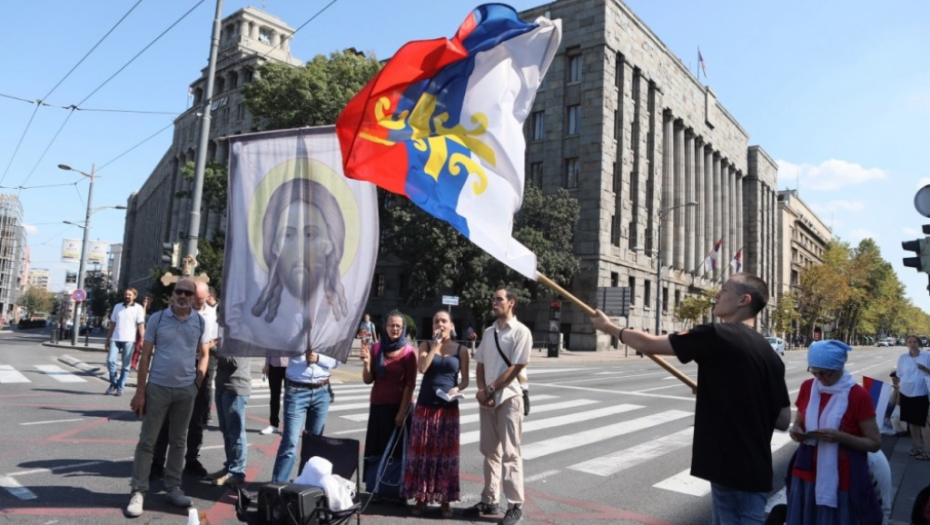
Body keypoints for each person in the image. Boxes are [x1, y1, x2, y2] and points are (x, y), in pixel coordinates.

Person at [590, 273, 791, 524]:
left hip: (730, 469)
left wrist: (609, 327)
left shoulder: (717, 334)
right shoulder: (769, 354)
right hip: (755, 471)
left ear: (744, 300)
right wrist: (718, 390)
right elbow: (783, 419)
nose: (716, 295)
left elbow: (649, 344)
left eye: (724, 290)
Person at [124, 279, 211, 518]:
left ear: (193, 297)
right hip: (158, 388)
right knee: (147, 441)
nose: (183, 296)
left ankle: (173, 488)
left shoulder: (200, 322)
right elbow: (145, 356)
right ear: (172, 294)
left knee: (179, 441)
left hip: (185, 390)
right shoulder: (158, 319)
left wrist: (197, 383)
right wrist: (140, 392)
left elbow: (204, 354)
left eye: (188, 293)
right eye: (179, 291)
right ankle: (138, 491)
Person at [785, 340, 882, 524]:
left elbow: (874, 443)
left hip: (842, 478)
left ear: (839, 368)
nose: (819, 378)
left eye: (824, 373)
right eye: (814, 372)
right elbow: (799, 422)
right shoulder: (808, 387)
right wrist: (797, 431)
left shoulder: (858, 395)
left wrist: (841, 437)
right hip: (805, 471)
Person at [466, 289, 530, 525]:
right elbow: (480, 364)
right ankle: (490, 499)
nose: (494, 302)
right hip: (489, 399)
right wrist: (482, 391)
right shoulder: (489, 332)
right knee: (490, 452)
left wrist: (491, 390)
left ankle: (515, 506)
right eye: (493, 299)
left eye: (499, 299)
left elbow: (516, 368)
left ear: (511, 302)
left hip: (509, 399)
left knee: (511, 453)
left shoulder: (521, 332)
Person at [150, 281, 219, 479]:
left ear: (207, 297)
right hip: (177, 367)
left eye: (199, 299)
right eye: (193, 297)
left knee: (197, 417)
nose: (195, 302)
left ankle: (192, 459)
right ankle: (157, 462)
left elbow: (218, 339)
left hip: (202, 366)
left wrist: (204, 346)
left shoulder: (213, 315)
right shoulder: (171, 313)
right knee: (166, 418)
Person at [405, 310, 469, 518]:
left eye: (444, 321)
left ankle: (445, 500)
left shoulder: (461, 350)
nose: (440, 324)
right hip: (425, 406)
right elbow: (423, 368)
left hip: (448, 409)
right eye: (436, 322)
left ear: (452, 325)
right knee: (423, 453)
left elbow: (465, 380)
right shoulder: (425, 345)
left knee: (445, 455)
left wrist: (457, 389)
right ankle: (421, 497)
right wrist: (435, 345)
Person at [361, 311, 416, 495]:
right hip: (378, 407)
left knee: (398, 451)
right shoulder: (377, 348)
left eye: (398, 326)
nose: (394, 329)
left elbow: (410, 385)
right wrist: (367, 363)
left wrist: (401, 412)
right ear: (385, 327)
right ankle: (376, 487)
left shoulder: (409, 352)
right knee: (377, 449)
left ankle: (397, 489)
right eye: (391, 325)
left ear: (403, 328)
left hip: (400, 408)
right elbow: (368, 379)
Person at [270, 348, 340, 483]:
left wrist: (318, 358)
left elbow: (337, 362)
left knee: (314, 444)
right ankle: (278, 485)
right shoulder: (295, 334)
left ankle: (305, 484)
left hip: (322, 390)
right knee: (290, 441)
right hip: (297, 389)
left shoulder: (328, 337)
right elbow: (284, 350)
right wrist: (302, 350)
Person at [206, 351, 252, 486]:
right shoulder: (228, 338)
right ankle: (229, 467)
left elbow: (235, 362)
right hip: (223, 387)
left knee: (235, 433)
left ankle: (237, 472)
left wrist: (214, 348)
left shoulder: (242, 338)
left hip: (235, 389)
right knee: (226, 431)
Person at [105, 288, 146, 396]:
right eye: (126, 294)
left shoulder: (138, 308)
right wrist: (108, 339)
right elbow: (112, 324)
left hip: (129, 339)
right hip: (115, 338)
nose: (127, 296)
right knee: (110, 361)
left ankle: (120, 386)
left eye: (129, 295)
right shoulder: (117, 307)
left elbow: (141, 325)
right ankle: (114, 383)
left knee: (126, 365)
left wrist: (143, 340)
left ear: (134, 296)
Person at [896, 335, 930, 459]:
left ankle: (928, 452)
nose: (912, 344)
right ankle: (917, 447)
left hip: (921, 392)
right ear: (907, 344)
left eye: (915, 342)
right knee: (911, 421)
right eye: (909, 342)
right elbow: (899, 375)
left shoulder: (926, 356)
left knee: (923, 422)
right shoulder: (903, 358)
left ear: (919, 343)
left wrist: (925, 368)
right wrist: (898, 394)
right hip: (906, 392)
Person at [260, 355, 289, 435]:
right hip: (274, 365)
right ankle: (273, 424)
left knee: (289, 398)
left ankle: (288, 426)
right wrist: (267, 364)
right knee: (274, 397)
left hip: (290, 365)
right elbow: (269, 349)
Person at [130, 295, 153, 371]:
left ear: (151, 300)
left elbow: (145, 318)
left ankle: (145, 365)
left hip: (148, 330)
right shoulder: (139, 308)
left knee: (146, 349)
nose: (145, 300)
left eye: (148, 299)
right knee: (137, 347)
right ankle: (133, 364)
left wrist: (145, 307)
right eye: (145, 298)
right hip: (139, 329)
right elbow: (140, 318)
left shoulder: (153, 310)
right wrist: (144, 307)